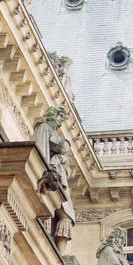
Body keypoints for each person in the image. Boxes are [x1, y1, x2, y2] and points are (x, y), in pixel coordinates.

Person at [33, 105, 76, 252]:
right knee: (56, 210)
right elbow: (54, 148)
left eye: (63, 118)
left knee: (67, 216)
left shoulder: (49, 131)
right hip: (50, 175)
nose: (61, 121)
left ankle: (58, 254)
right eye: (60, 117)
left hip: (57, 177)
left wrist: (64, 158)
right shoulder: (44, 127)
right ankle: (46, 245)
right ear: (52, 115)